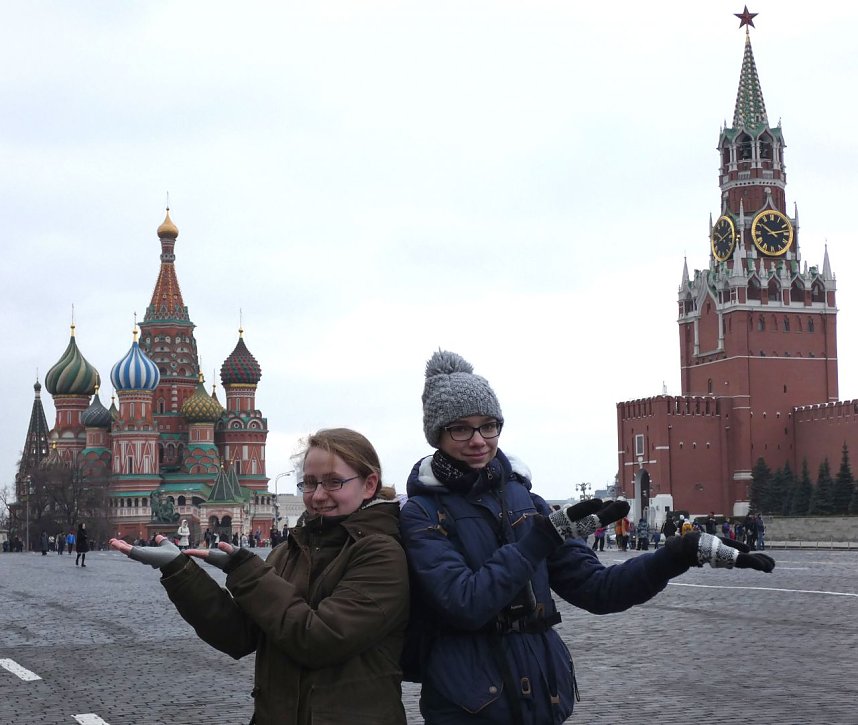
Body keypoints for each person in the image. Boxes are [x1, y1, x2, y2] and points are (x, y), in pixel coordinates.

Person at [400, 350, 776, 725]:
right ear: (438, 433)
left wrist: (680, 553)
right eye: (461, 428)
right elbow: (465, 602)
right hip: (470, 705)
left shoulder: (527, 502)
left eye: (488, 425)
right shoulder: (421, 512)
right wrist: (540, 539)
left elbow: (599, 589)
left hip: (542, 697)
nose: (478, 440)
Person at [110, 428, 409, 725]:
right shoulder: (289, 552)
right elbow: (239, 636)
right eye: (309, 483)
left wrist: (246, 571)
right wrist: (180, 571)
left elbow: (319, 639)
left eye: (334, 482)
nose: (318, 495)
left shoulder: (380, 553)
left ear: (369, 485)